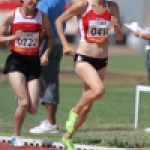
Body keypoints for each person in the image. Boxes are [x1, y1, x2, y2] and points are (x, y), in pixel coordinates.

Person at [55, 0, 123, 149]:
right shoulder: (82, 5)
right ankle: (74, 110)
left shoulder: (112, 7)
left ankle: (67, 138)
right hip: (83, 58)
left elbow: (119, 38)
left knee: (88, 107)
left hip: (102, 60)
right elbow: (59, 21)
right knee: (99, 90)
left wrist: (116, 26)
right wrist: (65, 44)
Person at [0, 0, 54, 147]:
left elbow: (51, 37)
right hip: (16, 61)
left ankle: (21, 97)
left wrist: (46, 54)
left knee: (33, 109)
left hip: (33, 62)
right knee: (24, 103)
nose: (33, 1)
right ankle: (15, 136)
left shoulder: (42, 17)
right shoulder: (13, 15)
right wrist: (12, 38)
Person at [29, 0, 66, 134]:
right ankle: (49, 121)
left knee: (48, 81)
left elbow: (41, 27)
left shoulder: (44, 3)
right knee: (50, 79)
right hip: (57, 41)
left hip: (46, 42)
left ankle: (50, 123)